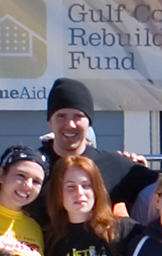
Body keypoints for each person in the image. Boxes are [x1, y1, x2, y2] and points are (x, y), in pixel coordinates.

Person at [39, 76, 153, 211]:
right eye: (61, 116)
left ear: (89, 123)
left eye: (78, 116)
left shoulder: (115, 165)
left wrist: (137, 168)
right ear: (50, 123)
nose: (70, 124)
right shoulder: (33, 166)